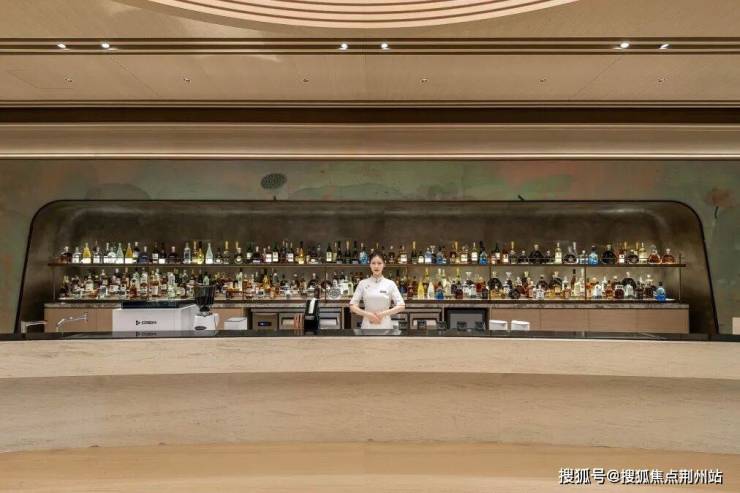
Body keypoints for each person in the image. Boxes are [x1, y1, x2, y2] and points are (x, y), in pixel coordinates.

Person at [349, 251, 405, 329]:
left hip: (386, 327)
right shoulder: (363, 283)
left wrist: (382, 314)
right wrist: (368, 315)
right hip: (367, 327)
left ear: (384, 265)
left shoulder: (390, 283)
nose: (376, 266)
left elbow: (401, 306)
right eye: (373, 263)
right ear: (370, 265)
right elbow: (352, 306)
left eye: (379, 263)